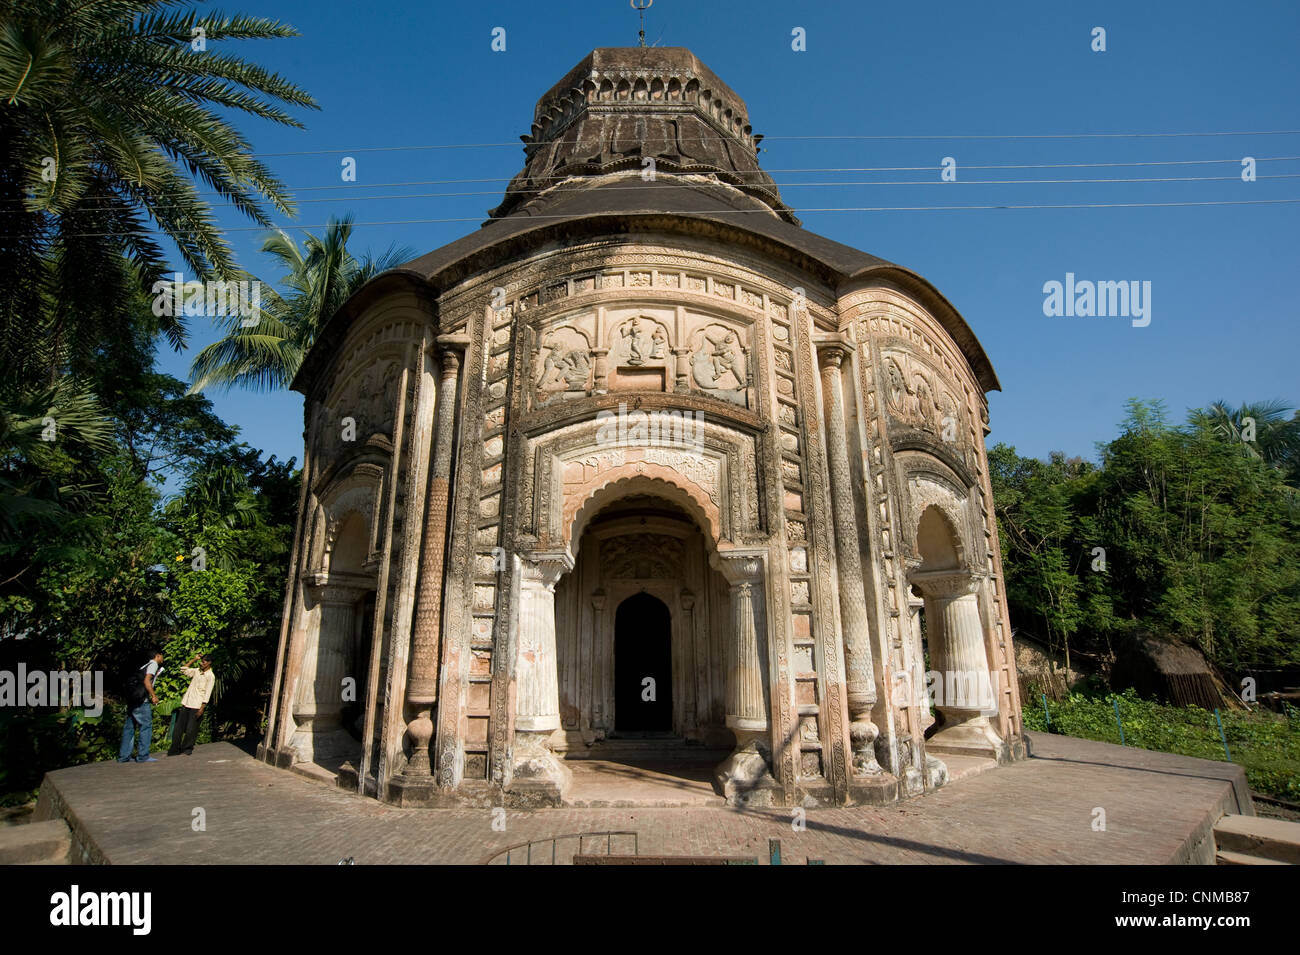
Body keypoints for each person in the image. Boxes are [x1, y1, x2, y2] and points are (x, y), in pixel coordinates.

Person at [119, 651, 163, 763]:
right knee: (146, 727)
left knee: (129, 728)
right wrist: (153, 696)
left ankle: (124, 756)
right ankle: (143, 756)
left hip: (133, 700)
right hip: (142, 701)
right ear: (157, 656)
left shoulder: (144, 666)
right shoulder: (153, 664)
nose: (163, 658)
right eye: (161, 656)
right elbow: (147, 681)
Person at [168, 653, 216, 756]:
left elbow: (207, 693)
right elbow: (183, 669)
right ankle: (174, 749)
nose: (201, 663)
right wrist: (194, 659)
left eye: (204, 662)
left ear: (209, 663)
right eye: (201, 661)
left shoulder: (210, 676)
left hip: (197, 705)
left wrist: (202, 708)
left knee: (191, 729)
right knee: (179, 727)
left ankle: (187, 748)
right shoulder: (197, 671)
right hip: (187, 703)